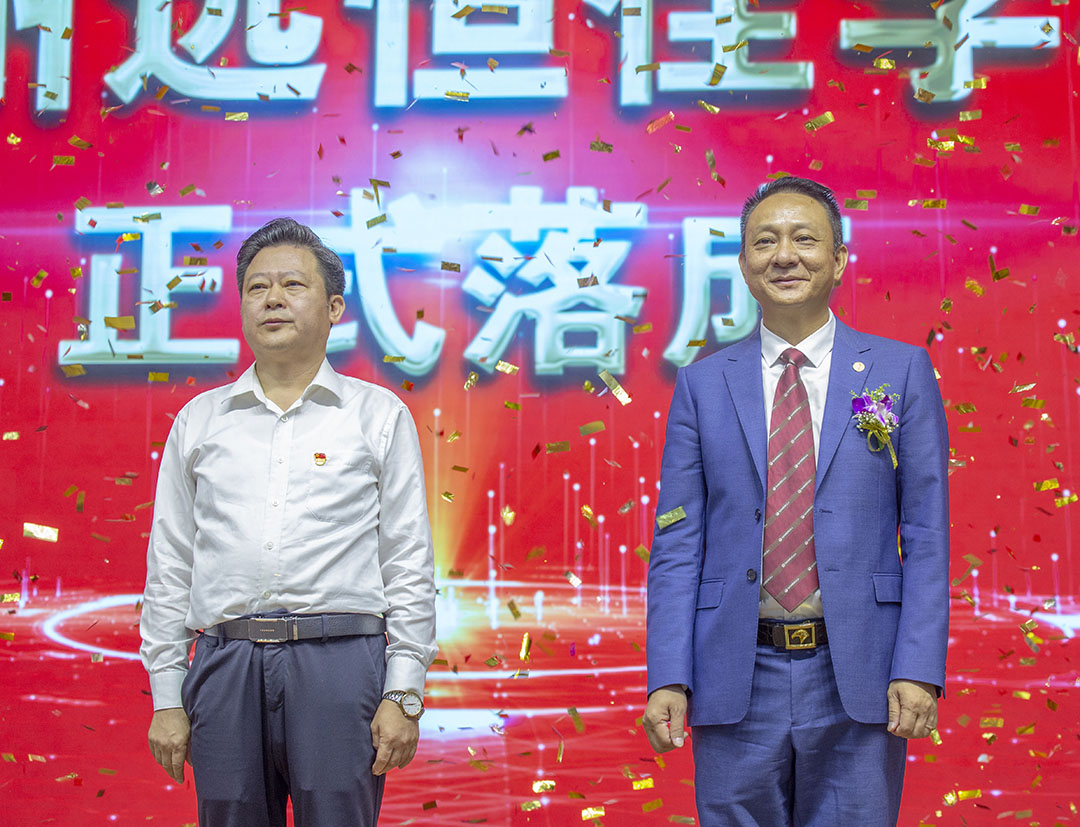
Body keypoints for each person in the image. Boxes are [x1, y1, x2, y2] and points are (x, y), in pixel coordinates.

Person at [643, 177, 949, 825]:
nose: (784, 255)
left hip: (861, 670)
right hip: (734, 671)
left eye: (805, 239)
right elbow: (677, 544)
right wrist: (668, 674)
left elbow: (926, 534)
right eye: (765, 241)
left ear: (839, 260)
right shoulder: (702, 384)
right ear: (743, 265)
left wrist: (919, 667)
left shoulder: (900, 371)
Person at [140, 217, 437, 826]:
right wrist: (167, 695)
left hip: (340, 663)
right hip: (225, 663)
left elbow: (408, 559)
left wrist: (404, 690)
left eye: (292, 285)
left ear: (334, 308)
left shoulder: (377, 415)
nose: (272, 299)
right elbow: (170, 563)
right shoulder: (200, 420)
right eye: (257, 287)